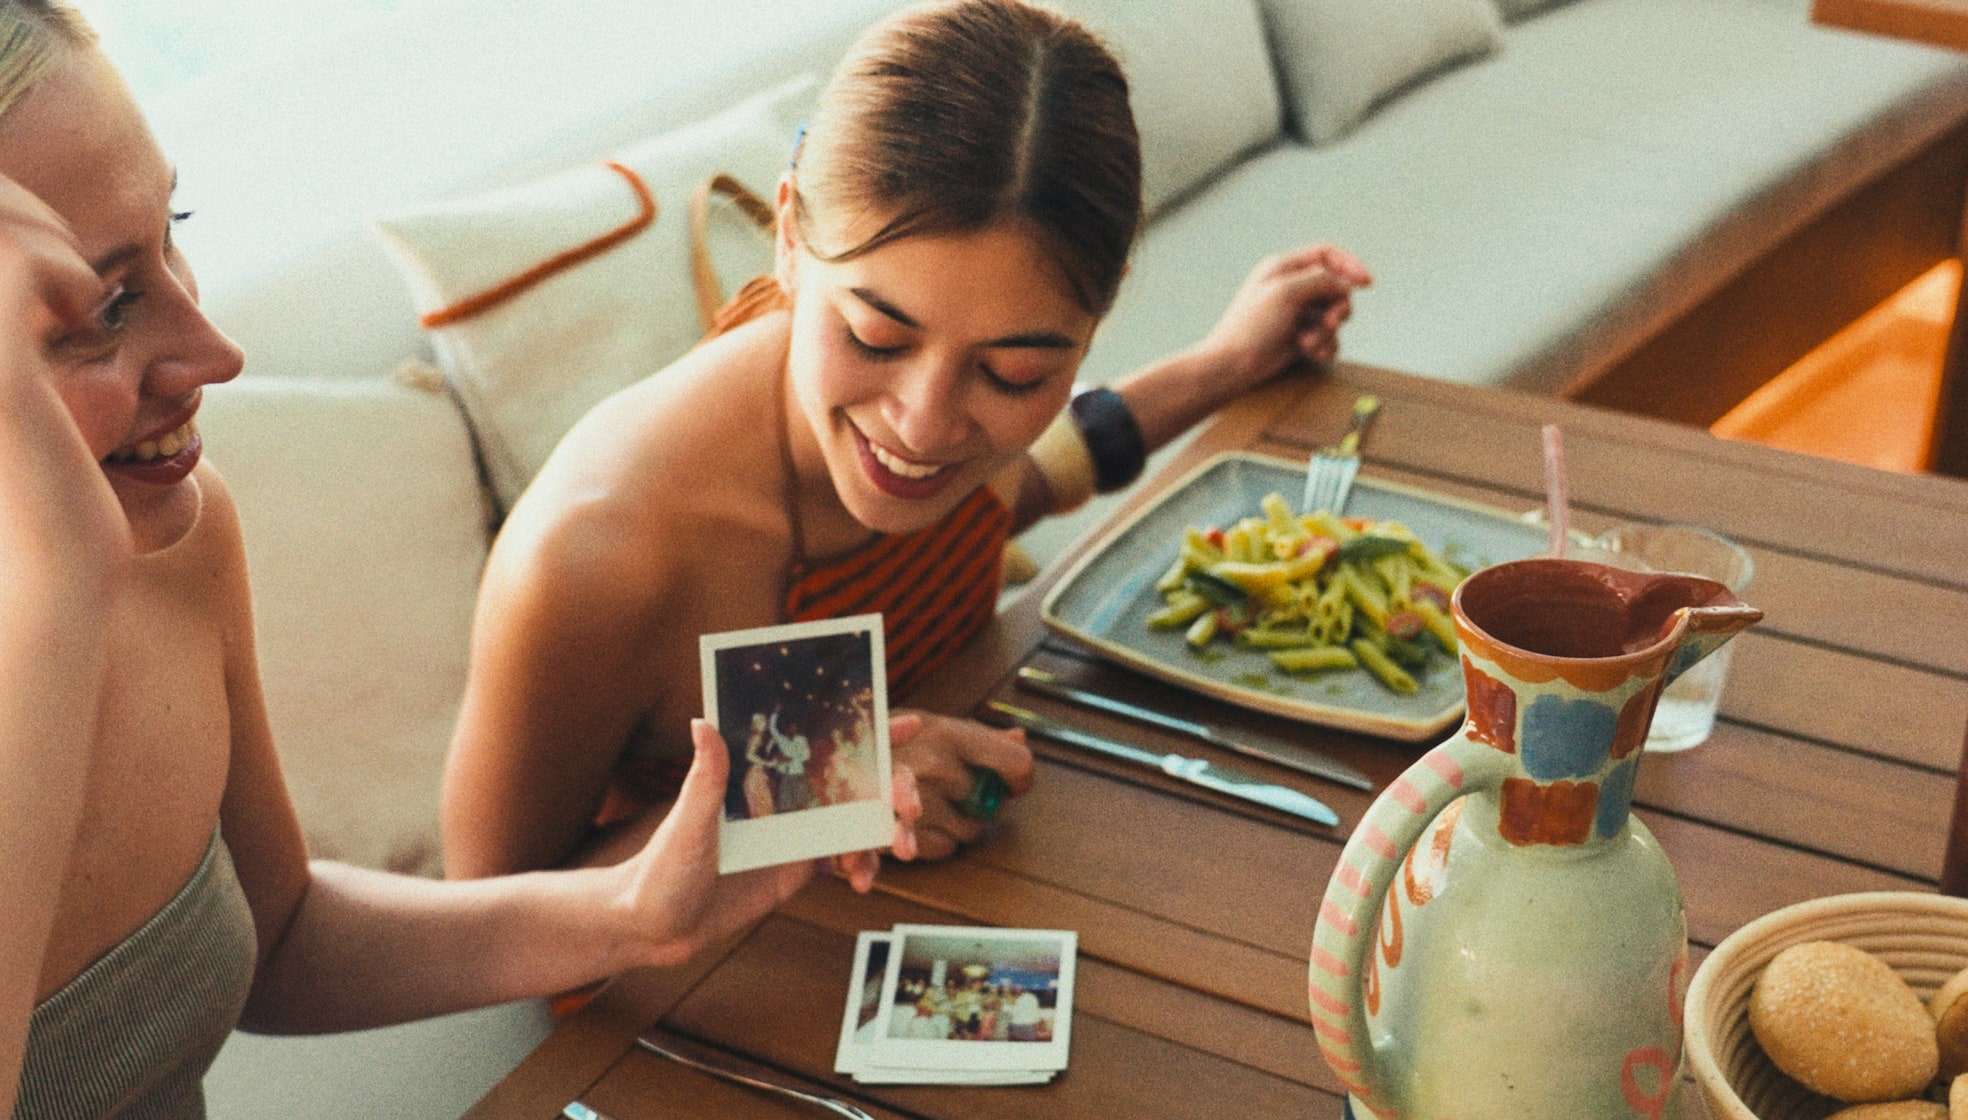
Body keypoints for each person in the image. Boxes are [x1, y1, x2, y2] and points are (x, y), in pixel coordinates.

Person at [0, 4, 915, 1120]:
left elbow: (281, 935)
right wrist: (44, 612)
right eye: (99, 308)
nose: (213, 352)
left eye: (172, 241)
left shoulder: (177, 540)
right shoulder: (83, 588)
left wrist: (636, 908)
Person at [440, 0, 1370, 880]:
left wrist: (1218, 367)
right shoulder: (602, 551)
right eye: (876, 338)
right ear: (791, 238)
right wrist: (818, 787)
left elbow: (1004, 496)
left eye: (1014, 373)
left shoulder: (951, 447)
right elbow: (485, 925)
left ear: (1101, 311)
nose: (924, 428)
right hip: (699, 991)